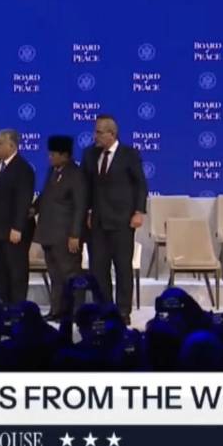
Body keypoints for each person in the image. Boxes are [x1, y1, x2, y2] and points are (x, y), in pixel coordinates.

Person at [82, 115, 147, 325]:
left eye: (99, 132)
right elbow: (86, 187)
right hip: (97, 223)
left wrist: (139, 211)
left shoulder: (129, 154)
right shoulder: (90, 155)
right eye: (95, 132)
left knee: (122, 268)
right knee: (98, 269)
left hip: (122, 222)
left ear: (112, 134)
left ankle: (123, 311)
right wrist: (88, 212)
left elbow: (140, 184)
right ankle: (104, 309)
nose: (95, 136)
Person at [31, 135, 87, 321]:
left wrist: (75, 235)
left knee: (71, 275)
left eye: (53, 154)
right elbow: (46, 196)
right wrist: (33, 209)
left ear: (65, 155)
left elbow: (80, 207)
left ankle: (76, 312)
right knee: (55, 275)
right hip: (48, 233)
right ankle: (57, 310)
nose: (49, 157)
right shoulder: (52, 171)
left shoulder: (76, 174)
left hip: (65, 236)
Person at [0, 128, 35, 307]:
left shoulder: (24, 169)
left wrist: (17, 227)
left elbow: (23, 200)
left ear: (11, 146)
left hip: (14, 232)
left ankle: (18, 309)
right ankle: (4, 306)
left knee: (16, 272)